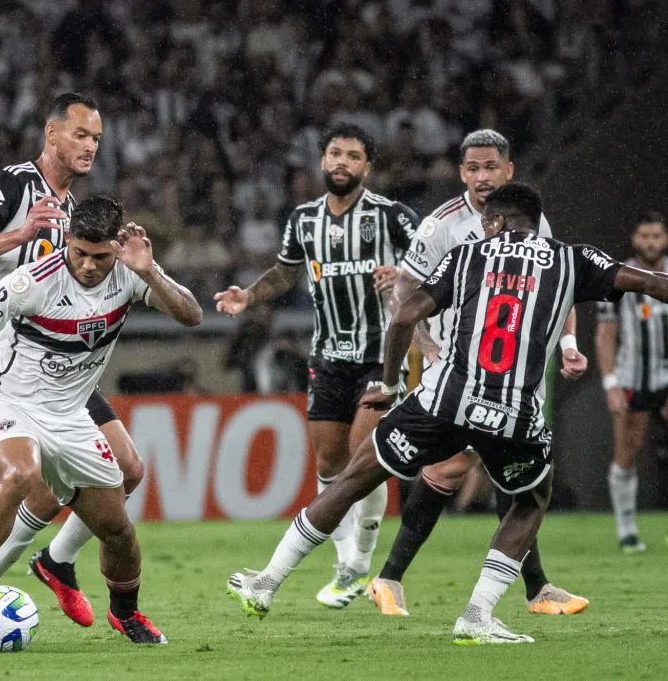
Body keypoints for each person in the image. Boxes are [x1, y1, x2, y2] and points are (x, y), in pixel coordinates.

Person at [228, 182, 668, 644]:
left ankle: (267, 582)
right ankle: (476, 615)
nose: (483, 228)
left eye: (487, 222)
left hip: (444, 401)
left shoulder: (467, 256)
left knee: (353, 479)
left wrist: (390, 385)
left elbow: (403, 317)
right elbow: (648, 282)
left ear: (497, 221)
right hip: (513, 412)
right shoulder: (572, 259)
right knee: (529, 501)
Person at [0, 195, 202, 644]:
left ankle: (125, 613)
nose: (87, 266)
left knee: (118, 531)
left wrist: (150, 272)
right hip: (9, 402)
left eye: (100, 257)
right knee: (20, 475)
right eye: (79, 252)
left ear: (117, 248)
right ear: (66, 239)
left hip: (72, 416)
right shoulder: (34, 282)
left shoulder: (129, 273)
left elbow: (192, 315)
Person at [0, 92, 145, 627]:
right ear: (51, 134)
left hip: (61, 366)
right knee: (26, 483)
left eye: (96, 138)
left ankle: (56, 561)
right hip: (0, 365)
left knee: (128, 470)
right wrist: (21, 234)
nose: (90, 146)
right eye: (80, 134)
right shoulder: (12, 186)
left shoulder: (74, 211)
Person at [368, 129, 589, 617]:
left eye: (491, 167)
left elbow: (559, 286)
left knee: (503, 468)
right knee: (463, 466)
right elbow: (404, 293)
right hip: (458, 368)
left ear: (509, 170)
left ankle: (532, 588)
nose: (482, 176)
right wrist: (429, 348)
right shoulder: (441, 226)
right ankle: (391, 577)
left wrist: (569, 344)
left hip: (514, 367)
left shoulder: (533, 221)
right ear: (461, 173)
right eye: (473, 168)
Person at [214, 123, 420, 607]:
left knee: (364, 454)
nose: (342, 162)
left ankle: (360, 560)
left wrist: (403, 273)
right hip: (328, 357)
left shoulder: (393, 216)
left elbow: (436, 264)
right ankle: (347, 564)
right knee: (329, 462)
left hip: (381, 355)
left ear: (367, 167)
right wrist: (249, 295)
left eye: (353, 155)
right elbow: (285, 272)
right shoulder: (304, 219)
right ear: (323, 161)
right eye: (335, 153)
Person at [596, 211, 668, 553]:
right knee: (627, 450)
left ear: (664, 239)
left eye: (656, 236)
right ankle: (627, 530)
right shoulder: (619, 277)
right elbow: (606, 334)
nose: (650, 242)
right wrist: (610, 382)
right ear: (634, 239)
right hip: (632, 376)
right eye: (645, 236)